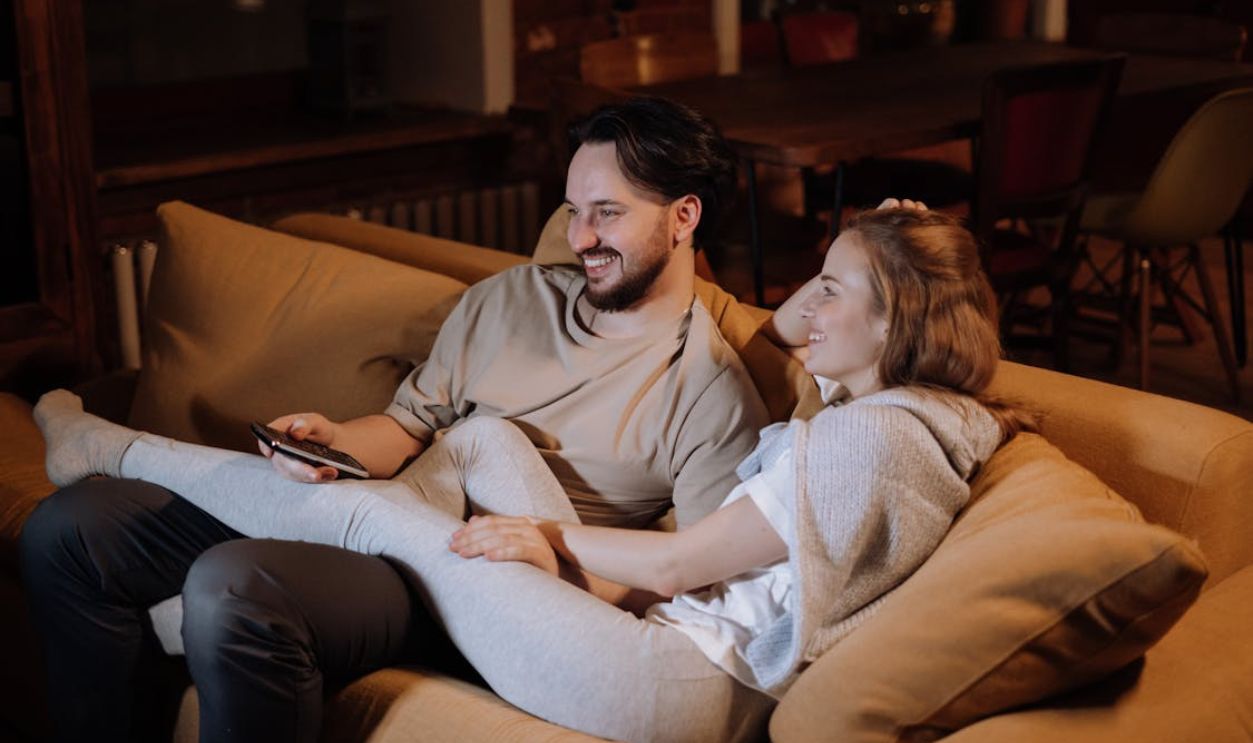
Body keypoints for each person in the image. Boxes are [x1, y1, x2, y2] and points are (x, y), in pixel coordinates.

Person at [27, 206, 1027, 742]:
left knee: (384, 521)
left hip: (675, 684)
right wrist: (876, 242)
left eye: (834, 288)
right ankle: (346, 528)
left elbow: (679, 563)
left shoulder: (872, 438)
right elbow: (786, 336)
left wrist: (543, 538)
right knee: (488, 437)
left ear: (893, 322)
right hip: (677, 646)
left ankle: (110, 448)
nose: (808, 308)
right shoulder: (890, 417)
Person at [18, 97, 771, 743]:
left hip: (472, 586)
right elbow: (407, 427)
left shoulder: (710, 395)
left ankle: (118, 451)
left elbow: (692, 587)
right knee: (74, 527)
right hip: (388, 504)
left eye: (607, 213)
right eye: (574, 211)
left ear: (683, 216)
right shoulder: (510, 300)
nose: (580, 238)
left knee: (235, 586)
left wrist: (559, 563)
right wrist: (335, 441)